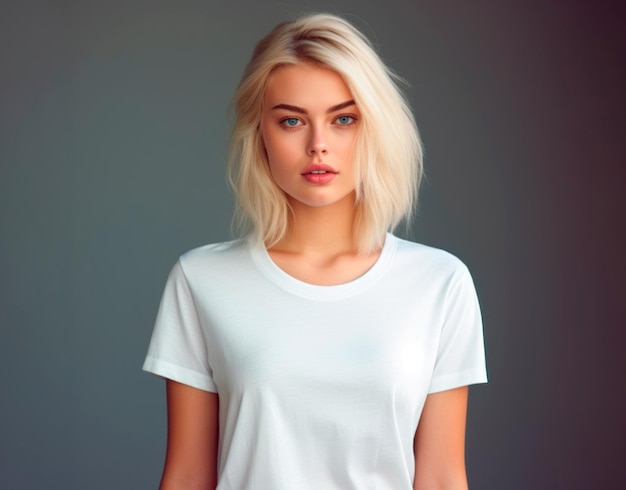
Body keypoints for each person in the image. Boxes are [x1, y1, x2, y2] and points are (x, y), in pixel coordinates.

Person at [143, 12, 487, 490]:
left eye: (343, 119)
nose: (318, 145)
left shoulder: (439, 283)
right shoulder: (201, 280)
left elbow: (444, 477)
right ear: (259, 133)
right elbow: (184, 477)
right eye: (291, 121)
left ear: (373, 127)